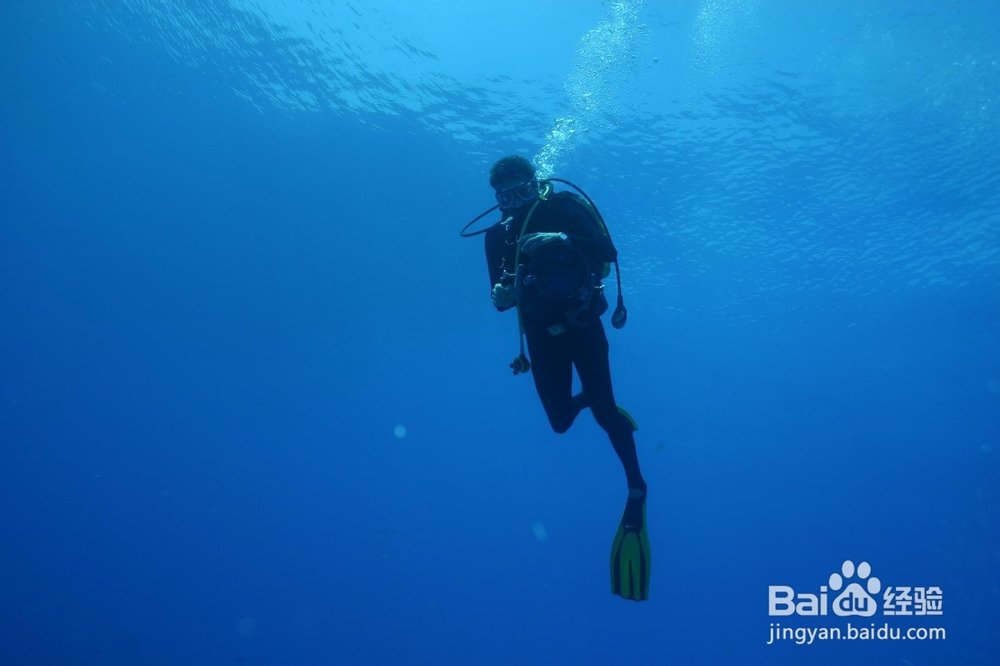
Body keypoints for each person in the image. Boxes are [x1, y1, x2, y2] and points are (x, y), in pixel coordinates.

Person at [482, 154, 650, 601]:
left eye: (521, 191)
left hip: (583, 328)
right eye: (505, 196)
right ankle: (593, 399)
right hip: (540, 337)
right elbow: (499, 300)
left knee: (604, 410)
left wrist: (558, 235)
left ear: (535, 184)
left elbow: (608, 252)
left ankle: (636, 487)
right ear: (496, 198)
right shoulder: (498, 234)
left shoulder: (565, 207)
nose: (514, 203)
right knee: (559, 421)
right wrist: (500, 295)